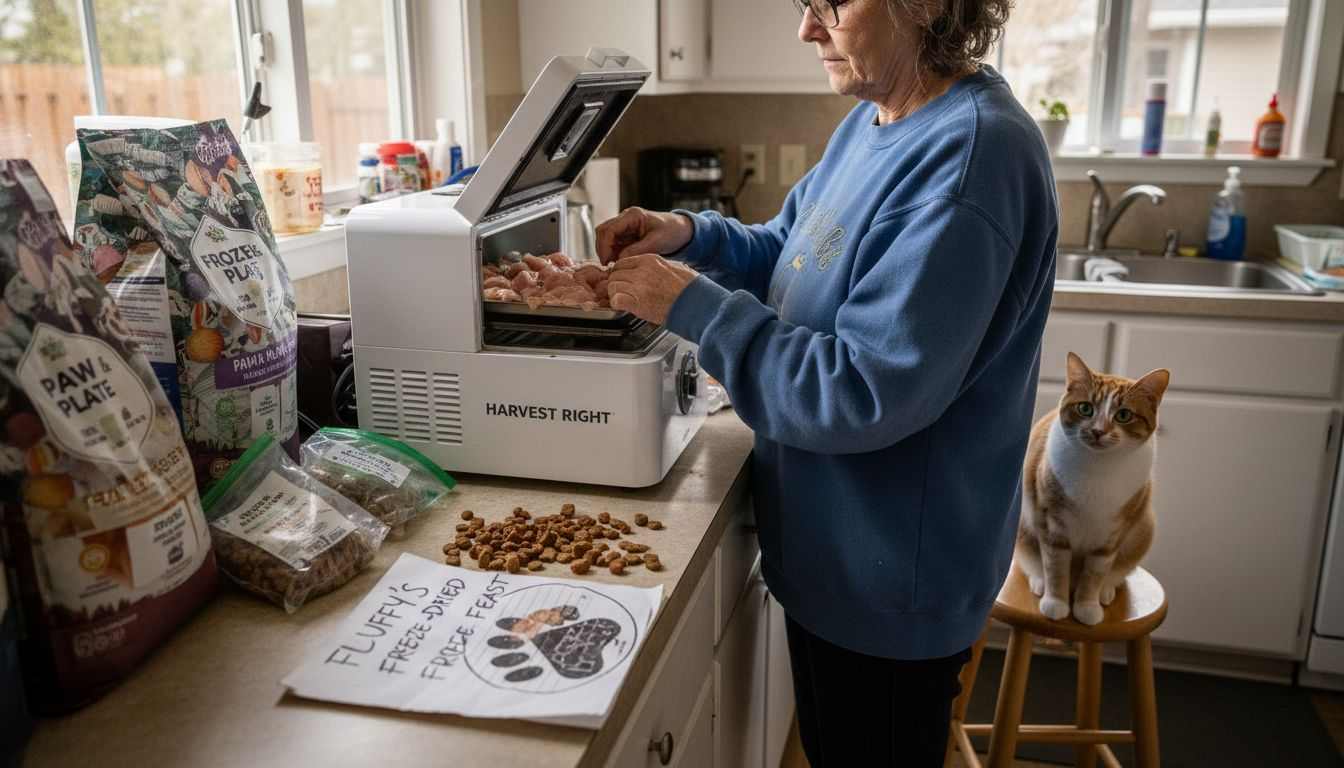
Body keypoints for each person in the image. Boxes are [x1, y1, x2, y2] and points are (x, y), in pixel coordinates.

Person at [598, 0, 1056, 764]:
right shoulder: (878, 122)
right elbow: (793, 247)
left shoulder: (972, 159)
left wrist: (690, 304)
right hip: (839, 559)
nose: (806, 30)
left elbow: (859, 391)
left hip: (891, 582)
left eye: (830, 4)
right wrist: (691, 234)